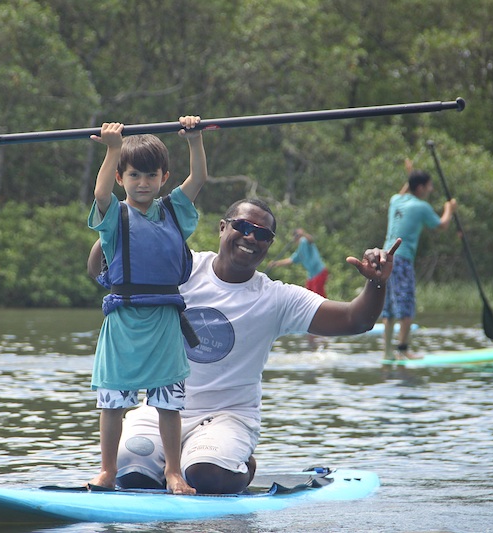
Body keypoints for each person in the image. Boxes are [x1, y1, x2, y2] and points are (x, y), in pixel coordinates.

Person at [88, 198, 401, 494]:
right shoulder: (180, 267)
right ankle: (172, 464)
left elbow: (355, 320)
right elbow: (100, 269)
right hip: (161, 410)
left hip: (228, 416)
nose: (251, 237)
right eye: (243, 227)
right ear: (222, 227)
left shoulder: (276, 298)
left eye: (262, 234)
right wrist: (124, 216)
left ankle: (241, 466)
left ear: (269, 245)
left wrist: (376, 282)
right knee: (131, 473)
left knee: (205, 475)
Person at [86, 115, 207, 494]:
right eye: (134, 175)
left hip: (164, 320)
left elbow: (199, 178)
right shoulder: (113, 216)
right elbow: (100, 194)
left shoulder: (173, 210)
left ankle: (173, 472)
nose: (143, 183)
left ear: (163, 177)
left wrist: (194, 139)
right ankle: (107, 471)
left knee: (169, 403)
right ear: (121, 178)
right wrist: (113, 149)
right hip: (123, 320)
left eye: (151, 176)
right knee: (112, 402)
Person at [381, 158, 456, 360]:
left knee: (388, 310)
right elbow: (442, 225)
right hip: (401, 260)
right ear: (421, 187)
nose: (431, 189)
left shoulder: (395, 200)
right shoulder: (421, 207)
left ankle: (387, 353)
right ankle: (403, 350)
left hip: (383, 259)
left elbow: (405, 191)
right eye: (429, 186)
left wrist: (411, 174)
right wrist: (449, 208)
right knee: (406, 306)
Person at [267, 228, 329, 297]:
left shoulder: (304, 241)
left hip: (319, 272)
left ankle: (326, 304)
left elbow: (311, 240)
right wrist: (275, 263)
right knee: (309, 294)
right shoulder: (300, 251)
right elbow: (290, 260)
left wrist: (303, 234)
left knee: (318, 296)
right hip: (311, 275)